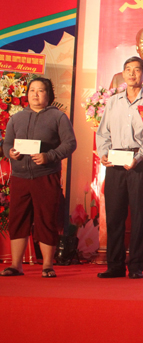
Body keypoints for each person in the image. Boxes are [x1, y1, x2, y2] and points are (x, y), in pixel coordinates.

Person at [1, 78, 77, 278]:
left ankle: (47, 266)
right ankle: (16, 265)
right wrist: (11, 152)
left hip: (46, 176)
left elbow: (70, 144)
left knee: (46, 219)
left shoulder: (58, 117)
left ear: (48, 94)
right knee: (18, 219)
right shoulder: (16, 118)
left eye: (40, 90)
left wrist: (49, 156)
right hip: (20, 177)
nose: (35, 94)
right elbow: (7, 143)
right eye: (32, 90)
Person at [96, 57, 143, 279]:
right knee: (114, 214)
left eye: (137, 70)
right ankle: (114, 265)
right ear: (123, 74)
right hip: (115, 161)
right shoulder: (113, 101)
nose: (132, 74)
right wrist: (104, 154)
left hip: (139, 161)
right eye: (128, 70)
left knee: (140, 214)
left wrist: (141, 155)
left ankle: (136, 266)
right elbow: (103, 132)